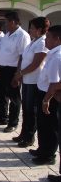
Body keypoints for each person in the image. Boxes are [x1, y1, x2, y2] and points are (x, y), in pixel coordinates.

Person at [11, 17, 49, 148]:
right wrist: (20, 74)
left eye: (32, 28)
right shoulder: (33, 41)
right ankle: (24, 133)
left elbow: (36, 64)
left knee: (31, 110)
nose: (30, 30)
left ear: (39, 30)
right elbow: (25, 59)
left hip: (34, 81)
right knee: (26, 109)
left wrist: (21, 73)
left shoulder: (42, 43)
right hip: (27, 79)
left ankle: (29, 136)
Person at [0, 11, 30, 133]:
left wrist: (17, 75)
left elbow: (22, 56)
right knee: (1, 94)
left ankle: (13, 123)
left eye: (6, 22)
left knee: (14, 98)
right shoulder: (7, 35)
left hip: (13, 70)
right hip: (2, 68)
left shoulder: (22, 35)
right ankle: (3, 118)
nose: (5, 24)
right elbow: (2, 52)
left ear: (13, 22)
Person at [28, 25, 61, 168]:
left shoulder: (57, 57)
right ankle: (42, 150)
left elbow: (55, 83)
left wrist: (46, 100)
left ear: (57, 39)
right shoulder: (53, 53)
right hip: (44, 92)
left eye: (48, 37)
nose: (45, 40)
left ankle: (48, 155)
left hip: (50, 96)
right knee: (42, 125)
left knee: (49, 127)